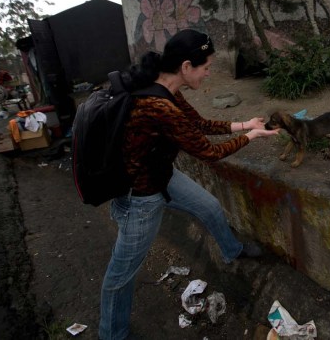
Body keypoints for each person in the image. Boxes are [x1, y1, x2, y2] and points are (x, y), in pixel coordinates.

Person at [99, 29, 280, 340]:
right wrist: (251, 137)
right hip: (140, 198)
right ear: (186, 66)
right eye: (206, 67)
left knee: (209, 206)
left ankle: (231, 250)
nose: (209, 73)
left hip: (162, 176)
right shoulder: (159, 106)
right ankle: (111, 335)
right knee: (121, 274)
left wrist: (244, 124)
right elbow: (209, 152)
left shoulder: (165, 86)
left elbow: (197, 124)